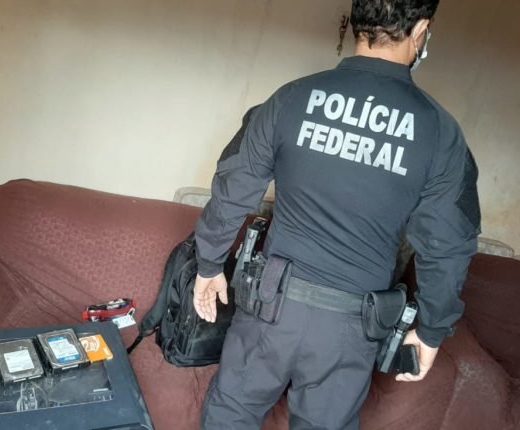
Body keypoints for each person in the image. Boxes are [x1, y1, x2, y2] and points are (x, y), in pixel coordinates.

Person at [192, 0, 481, 429]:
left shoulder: (292, 98)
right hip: (350, 328)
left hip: (269, 308)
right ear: (421, 29)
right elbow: (449, 244)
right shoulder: (441, 133)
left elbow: (233, 184)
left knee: (229, 416)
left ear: (356, 21)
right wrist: (432, 329)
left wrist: (210, 262)